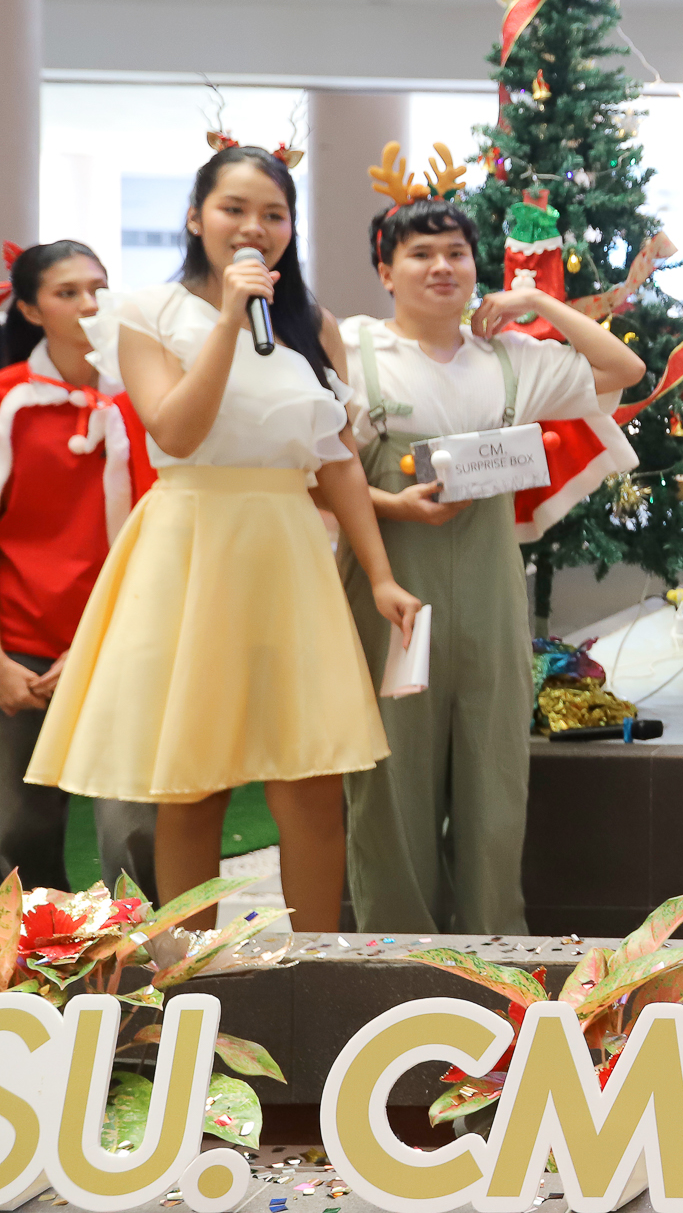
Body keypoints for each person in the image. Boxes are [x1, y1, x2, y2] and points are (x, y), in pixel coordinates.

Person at [27, 142, 420, 931]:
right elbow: (175, 428)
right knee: (194, 781)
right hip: (190, 547)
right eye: (233, 209)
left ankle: (315, 965)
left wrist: (379, 574)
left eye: (273, 214)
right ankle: (193, 972)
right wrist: (229, 322)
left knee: (312, 775)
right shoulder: (145, 313)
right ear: (194, 218)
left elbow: (338, 459)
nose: (254, 227)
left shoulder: (310, 324)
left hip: (287, 549)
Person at [339, 195, 644, 934]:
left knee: (495, 771)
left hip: (489, 587)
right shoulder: (353, 354)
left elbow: (624, 367)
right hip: (392, 588)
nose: (441, 267)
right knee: (391, 779)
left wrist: (536, 301)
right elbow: (323, 476)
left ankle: (494, 950)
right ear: (386, 271)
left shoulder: (510, 359)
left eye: (456, 253)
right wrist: (395, 504)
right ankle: (397, 957)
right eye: (419, 254)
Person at [0, 241, 157, 897]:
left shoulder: (148, 400)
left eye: (99, 288)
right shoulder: (7, 398)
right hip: (21, 652)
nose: (90, 305)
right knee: (17, 833)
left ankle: (144, 956)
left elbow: (163, 532)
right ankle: (36, 956)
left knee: (136, 833)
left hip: (122, 641)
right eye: (68, 293)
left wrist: (101, 641)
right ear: (31, 310)